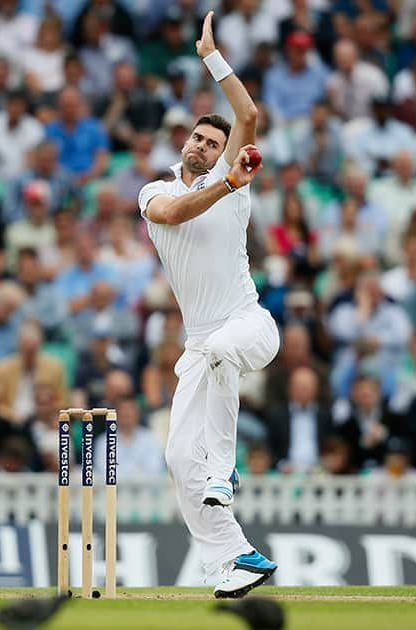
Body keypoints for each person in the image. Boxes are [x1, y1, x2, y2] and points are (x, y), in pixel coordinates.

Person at [136, 12, 279, 599]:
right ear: (186, 142)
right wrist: (228, 184)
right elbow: (173, 215)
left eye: (215, 144)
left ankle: (225, 471)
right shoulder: (156, 190)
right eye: (198, 137)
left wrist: (211, 58)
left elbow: (248, 116)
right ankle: (232, 560)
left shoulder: (231, 173)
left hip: (250, 326)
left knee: (222, 351)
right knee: (176, 459)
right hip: (200, 344)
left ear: (228, 151)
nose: (204, 145)